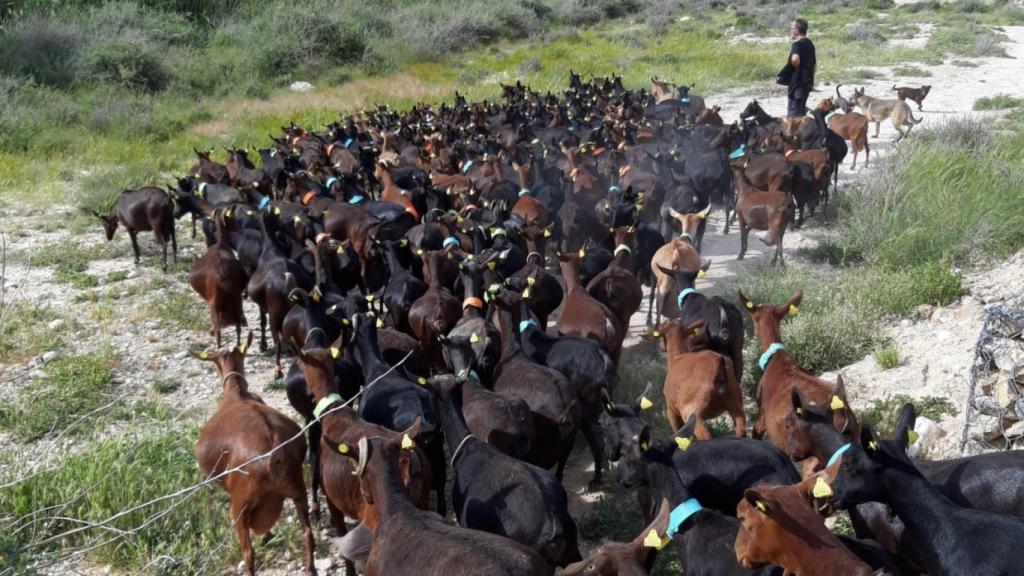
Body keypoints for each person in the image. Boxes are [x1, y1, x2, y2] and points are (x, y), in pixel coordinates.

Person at [778, 18, 816, 118]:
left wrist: (794, 67)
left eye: (791, 28)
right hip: (807, 83)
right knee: (801, 112)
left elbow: (795, 58)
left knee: (793, 116)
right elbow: (814, 65)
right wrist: (811, 79)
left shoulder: (797, 44)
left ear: (796, 30)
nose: (790, 30)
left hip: (797, 84)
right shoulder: (810, 44)